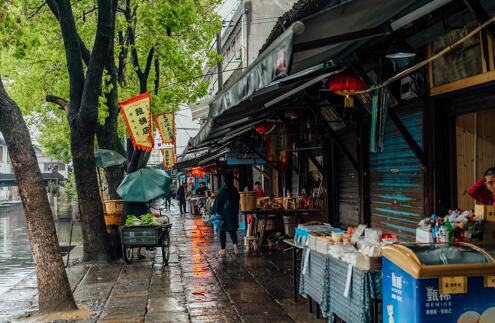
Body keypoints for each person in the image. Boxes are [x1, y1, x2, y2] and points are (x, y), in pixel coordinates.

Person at [212, 174, 240, 256]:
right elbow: (237, 199)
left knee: (222, 231)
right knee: (232, 230)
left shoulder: (222, 190)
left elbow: (217, 202)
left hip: (223, 214)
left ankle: (223, 249)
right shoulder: (234, 189)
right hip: (233, 213)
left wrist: (213, 212)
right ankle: (235, 244)